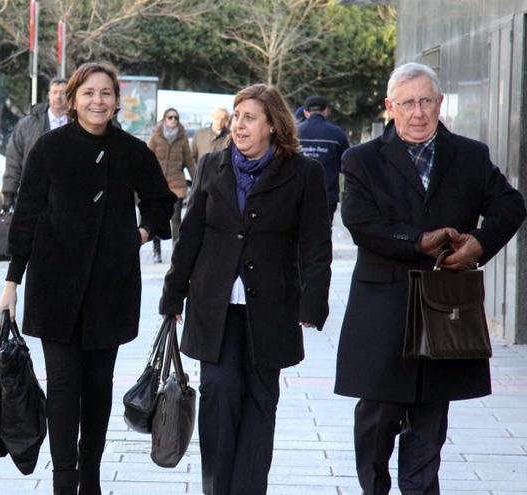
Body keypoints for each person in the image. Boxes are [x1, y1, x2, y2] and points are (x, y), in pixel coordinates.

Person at [334, 63, 526, 495]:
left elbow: (510, 205)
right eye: (407, 103)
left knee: (430, 418)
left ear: (440, 103)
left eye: (426, 101)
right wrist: (417, 240)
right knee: (377, 415)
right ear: (390, 107)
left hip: (444, 305)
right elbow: (360, 222)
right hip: (383, 307)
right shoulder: (361, 159)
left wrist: (478, 243)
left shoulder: (470, 155)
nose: (418, 112)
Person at [0, 62, 175, 495]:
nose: (98, 101)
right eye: (89, 93)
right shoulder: (49, 149)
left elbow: (161, 202)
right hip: (54, 285)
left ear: (117, 101)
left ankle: (90, 477)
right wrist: (11, 283)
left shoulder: (132, 151)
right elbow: (27, 217)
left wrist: (141, 233)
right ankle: (64, 479)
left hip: (109, 289)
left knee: (97, 386)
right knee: (62, 385)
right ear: (73, 99)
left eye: (106, 93)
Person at [159, 83, 332, 495]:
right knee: (218, 395)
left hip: (270, 307)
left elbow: (315, 243)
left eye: (250, 117)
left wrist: (314, 301)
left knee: (259, 402)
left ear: (273, 125)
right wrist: (173, 293)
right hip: (214, 305)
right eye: (237, 117)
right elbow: (191, 234)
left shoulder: (303, 173)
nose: (239, 125)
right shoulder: (213, 165)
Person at [2, 77, 68, 210]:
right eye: (55, 92)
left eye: (63, 93)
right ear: (49, 95)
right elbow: (14, 159)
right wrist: (9, 194)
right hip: (34, 194)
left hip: (67, 197)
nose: (58, 97)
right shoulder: (28, 124)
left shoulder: (79, 124)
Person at [147, 107, 196, 263]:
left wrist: (198, 180)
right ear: (164, 119)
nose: (173, 120)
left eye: (176, 117)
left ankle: (176, 250)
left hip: (177, 184)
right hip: (157, 184)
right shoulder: (155, 137)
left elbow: (189, 162)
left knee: (176, 220)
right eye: (170, 117)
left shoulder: (182, 139)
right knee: (158, 218)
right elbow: (145, 159)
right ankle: (156, 251)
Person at [297, 95, 350, 223]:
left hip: (298, 194)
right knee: (323, 233)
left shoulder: (294, 132)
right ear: (326, 111)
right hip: (327, 196)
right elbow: (346, 164)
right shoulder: (337, 133)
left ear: (305, 112)